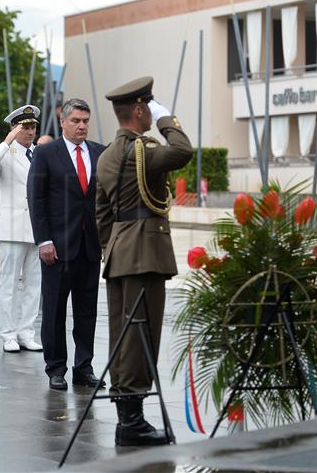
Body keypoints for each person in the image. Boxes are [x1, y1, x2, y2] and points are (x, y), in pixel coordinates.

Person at [96, 76, 193, 446]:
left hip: (120, 254)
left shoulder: (106, 154)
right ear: (139, 109)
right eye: (149, 107)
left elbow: (101, 212)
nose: (152, 113)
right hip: (146, 255)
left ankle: (128, 416)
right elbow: (183, 150)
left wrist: (113, 248)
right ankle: (132, 422)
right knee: (141, 335)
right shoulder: (143, 152)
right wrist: (168, 120)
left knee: (122, 334)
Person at [27, 98, 106, 391]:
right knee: (55, 310)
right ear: (63, 121)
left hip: (89, 246)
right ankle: (56, 367)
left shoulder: (99, 152)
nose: (82, 126)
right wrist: (44, 240)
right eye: (76, 121)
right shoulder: (47, 153)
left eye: (86, 121)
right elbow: (37, 199)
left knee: (87, 311)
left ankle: (83, 367)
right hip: (57, 248)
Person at [0, 105, 43, 353]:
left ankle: (26, 332)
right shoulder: (5, 152)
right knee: (9, 284)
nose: (30, 131)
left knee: (33, 284)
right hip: (12, 228)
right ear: (14, 129)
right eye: (24, 127)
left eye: (33, 127)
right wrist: (6, 141)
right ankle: (8, 334)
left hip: (36, 228)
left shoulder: (39, 153)